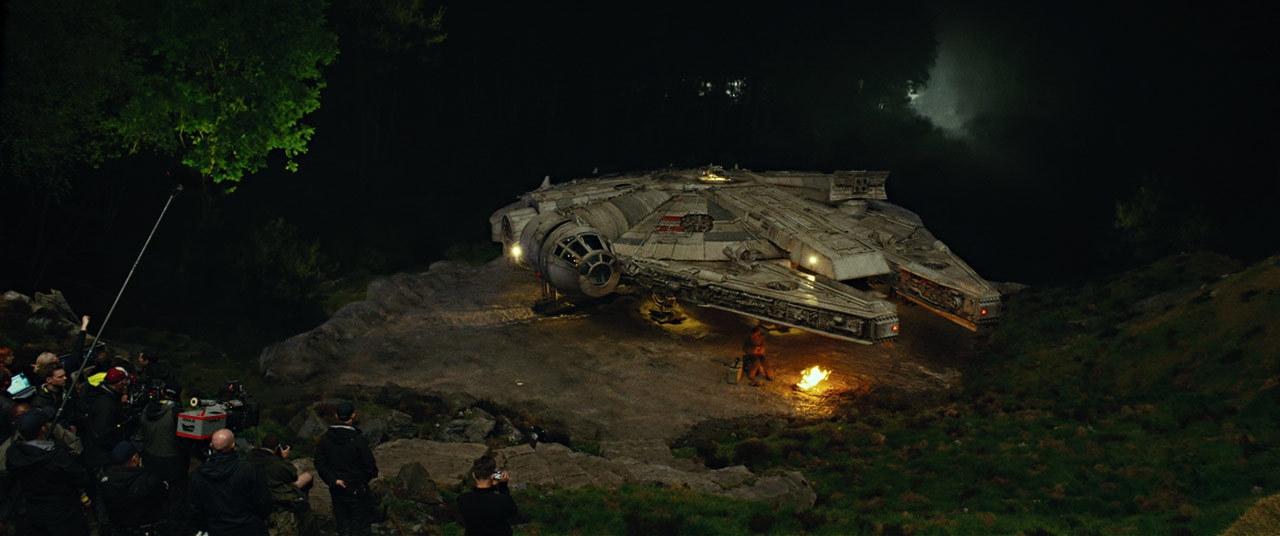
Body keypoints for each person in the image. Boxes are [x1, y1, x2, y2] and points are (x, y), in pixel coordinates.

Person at [4, 406, 92, 536]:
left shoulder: (13, 454)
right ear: (43, 429)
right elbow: (82, 478)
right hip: (64, 514)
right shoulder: (56, 457)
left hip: (34, 512)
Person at [187, 429, 273, 536]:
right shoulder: (248, 470)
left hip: (218, 530)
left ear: (211, 446)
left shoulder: (198, 476)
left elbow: (194, 510)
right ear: (233, 445)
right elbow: (264, 503)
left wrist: (210, 526)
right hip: (250, 528)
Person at [314, 402, 378, 536]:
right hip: (357, 488)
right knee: (360, 525)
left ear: (336, 416)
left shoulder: (326, 439)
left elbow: (319, 462)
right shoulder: (358, 440)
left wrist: (332, 479)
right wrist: (360, 480)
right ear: (353, 415)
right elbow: (371, 468)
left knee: (342, 523)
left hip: (337, 488)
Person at [133, 387, 189, 535]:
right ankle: (176, 529)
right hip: (173, 463)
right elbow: (185, 439)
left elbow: (139, 437)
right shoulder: (175, 413)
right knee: (177, 499)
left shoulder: (146, 411)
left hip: (151, 461)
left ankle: (159, 528)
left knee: (157, 497)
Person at [246, 435, 313, 536]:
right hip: (277, 494)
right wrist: (284, 458)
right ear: (277, 447)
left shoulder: (250, 456)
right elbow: (292, 475)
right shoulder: (278, 463)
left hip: (255, 491)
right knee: (307, 476)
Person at [99, 441, 168, 535]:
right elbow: (163, 497)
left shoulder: (107, 483)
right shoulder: (149, 480)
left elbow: (104, 513)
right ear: (134, 459)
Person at [456, 455, 519, 536]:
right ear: (493, 476)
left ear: (474, 475)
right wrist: (503, 487)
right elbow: (513, 513)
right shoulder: (503, 501)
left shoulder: (463, 499)